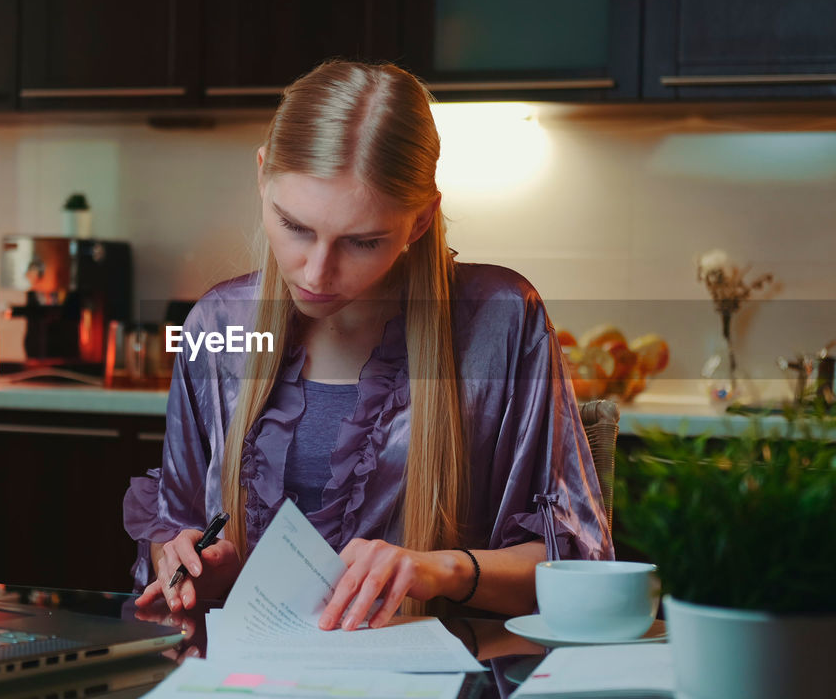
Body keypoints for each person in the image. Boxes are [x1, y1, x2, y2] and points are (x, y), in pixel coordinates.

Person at [125, 60, 612, 632]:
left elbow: (578, 565)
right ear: (262, 176)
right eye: (295, 226)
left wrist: (442, 571)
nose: (316, 271)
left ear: (421, 220)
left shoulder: (499, 322)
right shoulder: (219, 325)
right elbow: (171, 532)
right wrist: (187, 567)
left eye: (362, 242)